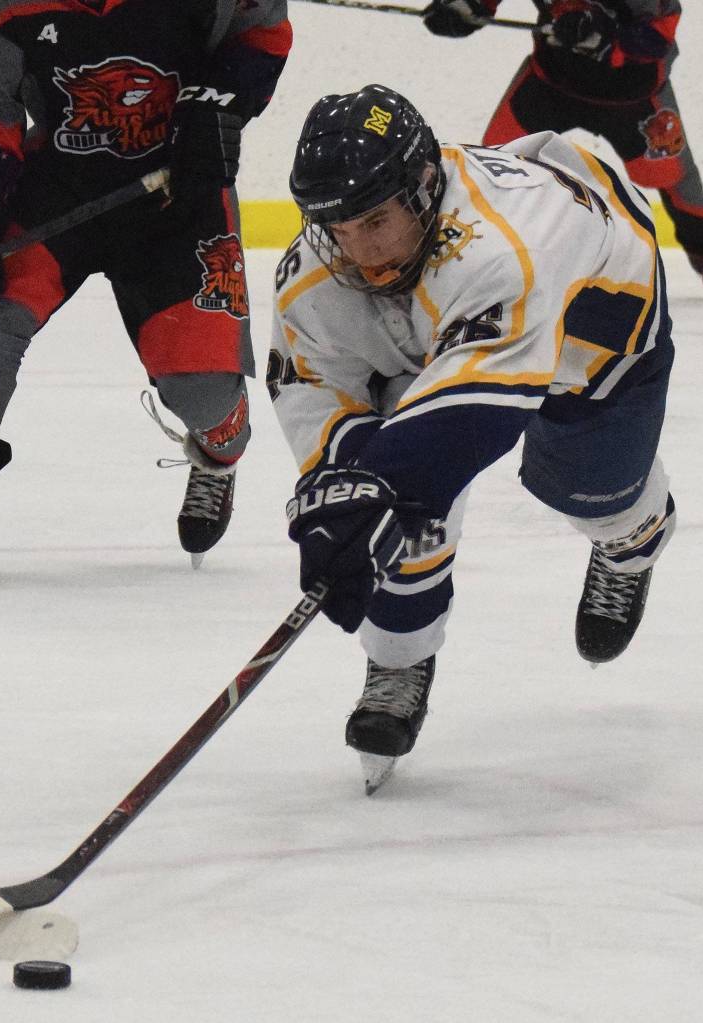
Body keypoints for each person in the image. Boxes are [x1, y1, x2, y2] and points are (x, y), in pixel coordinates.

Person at [269, 84, 677, 792]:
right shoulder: (318, 273)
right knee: (389, 502)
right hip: (446, 329)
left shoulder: (503, 248)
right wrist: (342, 483)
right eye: (332, 225)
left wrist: (370, 491)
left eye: (370, 222)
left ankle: (633, 536)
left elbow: (473, 410)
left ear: (424, 190)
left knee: (589, 489)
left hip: (596, 321)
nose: (351, 249)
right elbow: (310, 381)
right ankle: (398, 661)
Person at [0, 0, 292, 581]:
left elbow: (261, 31)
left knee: (205, 396)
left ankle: (219, 456)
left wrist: (221, 104)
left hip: (179, 195)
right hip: (55, 185)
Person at [421, 0, 703, 298]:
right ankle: (468, 254)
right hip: (552, 81)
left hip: (632, 96)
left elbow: (658, 36)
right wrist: (464, 10)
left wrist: (607, 37)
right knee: (494, 161)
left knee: (672, 174)